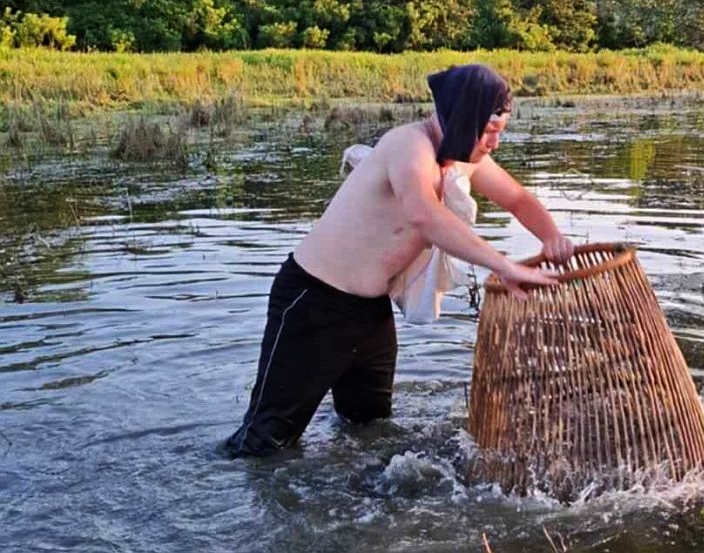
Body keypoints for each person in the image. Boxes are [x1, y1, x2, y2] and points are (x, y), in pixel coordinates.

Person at [226, 64, 574, 457]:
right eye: (490, 132)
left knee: (369, 429)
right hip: (313, 302)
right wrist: (503, 264)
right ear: (462, 119)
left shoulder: (463, 157)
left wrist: (552, 237)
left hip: (369, 312)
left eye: (500, 133)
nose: (494, 143)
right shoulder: (408, 146)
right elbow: (424, 215)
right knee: (263, 443)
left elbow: (517, 198)